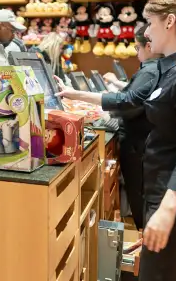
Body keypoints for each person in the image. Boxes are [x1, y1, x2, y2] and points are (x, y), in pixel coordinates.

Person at [60, 0, 176, 281]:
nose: (146, 32)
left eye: (149, 23)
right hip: (168, 197)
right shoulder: (170, 69)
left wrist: (166, 212)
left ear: (170, 21)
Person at [54, 24, 161, 230]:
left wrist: (75, 94)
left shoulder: (150, 70)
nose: (136, 53)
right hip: (142, 143)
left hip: (138, 144)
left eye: (137, 49)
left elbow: (127, 102)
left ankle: (145, 243)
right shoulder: (154, 69)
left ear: (148, 46)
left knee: (140, 197)